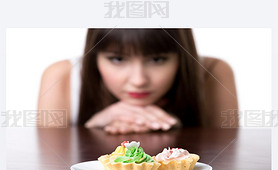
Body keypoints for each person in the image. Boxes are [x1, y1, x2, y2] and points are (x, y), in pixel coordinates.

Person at [37, 29, 239, 132]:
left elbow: (227, 155)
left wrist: (171, 127)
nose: (139, 80)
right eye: (117, 59)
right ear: (94, 56)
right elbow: (50, 164)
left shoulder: (213, 73)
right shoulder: (62, 75)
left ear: (182, 56)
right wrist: (93, 126)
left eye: (157, 59)